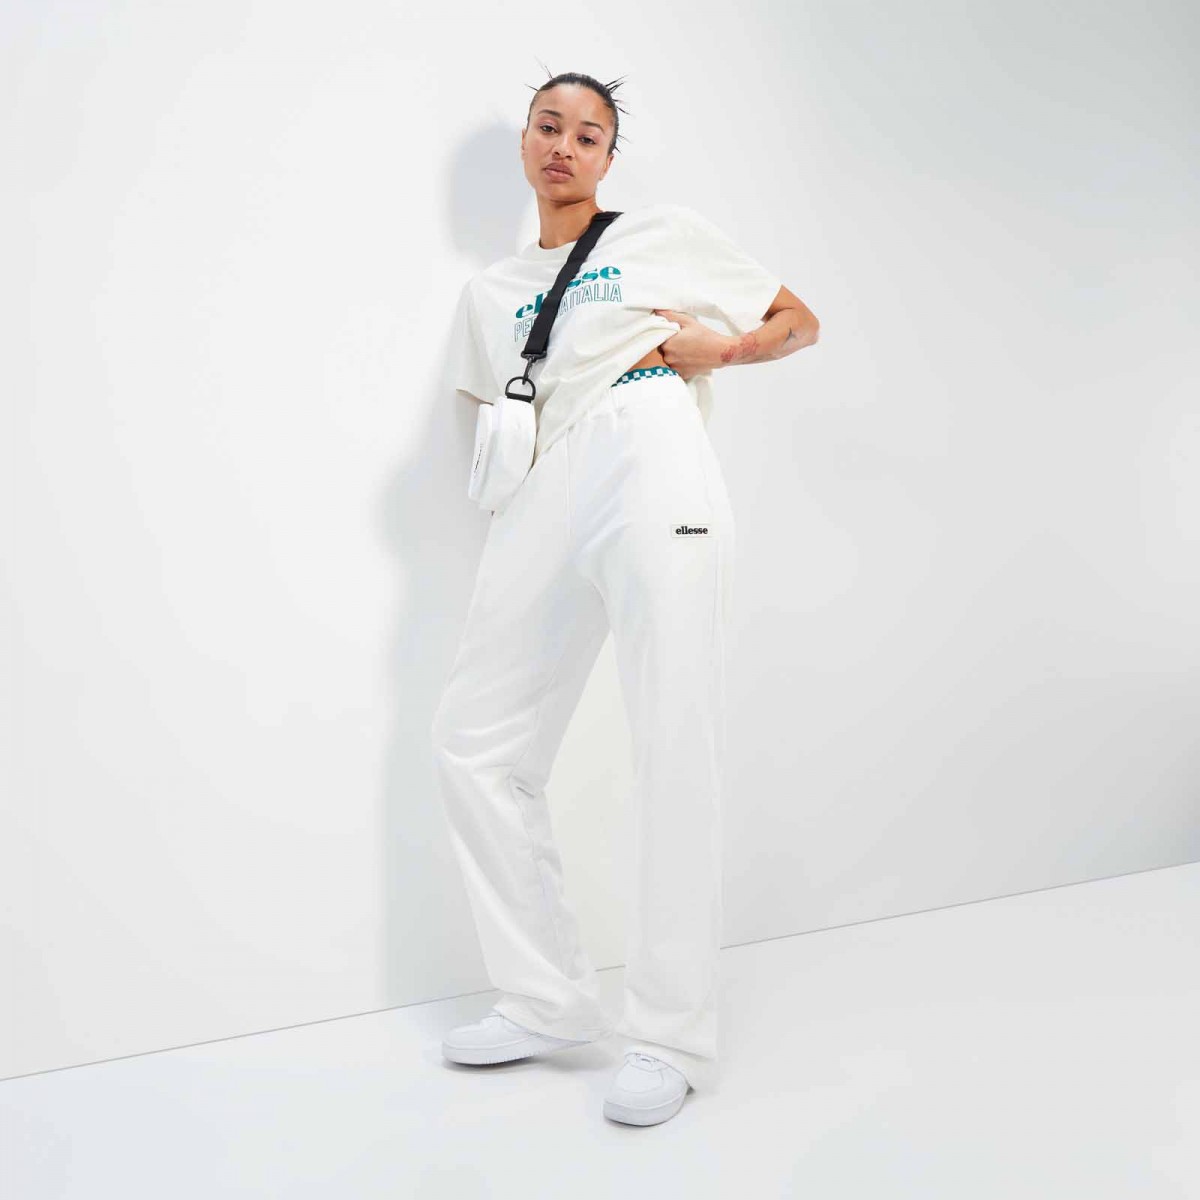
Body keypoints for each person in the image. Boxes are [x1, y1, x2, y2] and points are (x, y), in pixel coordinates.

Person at [431, 70, 819, 1126]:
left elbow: (799, 320)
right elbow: (497, 415)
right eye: (548, 126)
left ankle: (670, 1036)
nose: (564, 145)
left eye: (588, 134)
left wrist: (724, 349)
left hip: (651, 447)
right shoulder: (487, 294)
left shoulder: (660, 236)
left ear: (608, 157)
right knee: (473, 742)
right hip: (544, 483)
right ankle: (545, 997)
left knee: (673, 736)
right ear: (525, 141)